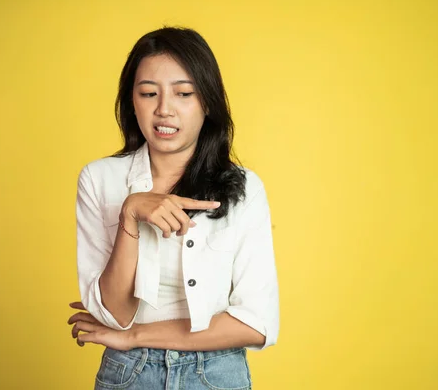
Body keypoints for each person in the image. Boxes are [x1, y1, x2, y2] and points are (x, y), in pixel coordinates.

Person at [67, 26, 279, 390]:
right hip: (128, 374)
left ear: (207, 102)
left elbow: (254, 324)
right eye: (149, 93)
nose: (164, 110)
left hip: (217, 375)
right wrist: (130, 214)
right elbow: (115, 315)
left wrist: (136, 337)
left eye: (183, 93)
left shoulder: (245, 187)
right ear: (131, 102)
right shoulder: (99, 179)